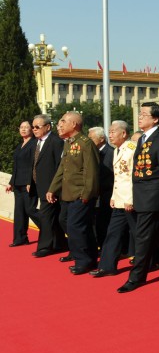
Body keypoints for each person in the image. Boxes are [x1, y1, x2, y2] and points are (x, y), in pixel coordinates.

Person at [117, 102, 159, 293]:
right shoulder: (142, 138)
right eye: (140, 114)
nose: (140, 117)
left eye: (144, 114)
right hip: (141, 194)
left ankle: (136, 277)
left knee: (142, 237)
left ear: (155, 118)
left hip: (153, 196)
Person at [47, 112, 100, 275]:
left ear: (75, 124)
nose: (60, 124)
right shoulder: (68, 143)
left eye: (64, 121)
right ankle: (90, 258)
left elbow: (91, 172)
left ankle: (82, 261)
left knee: (75, 227)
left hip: (81, 194)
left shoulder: (86, 143)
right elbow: (62, 168)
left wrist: (87, 194)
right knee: (80, 227)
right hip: (69, 194)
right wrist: (52, 189)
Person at [93, 121, 137, 277]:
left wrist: (130, 198)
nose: (110, 135)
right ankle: (107, 266)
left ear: (123, 133)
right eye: (109, 132)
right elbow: (118, 177)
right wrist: (114, 196)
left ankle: (158, 262)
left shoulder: (132, 149)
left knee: (139, 234)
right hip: (119, 199)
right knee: (113, 232)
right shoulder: (117, 150)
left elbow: (133, 176)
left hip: (130, 200)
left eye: (113, 132)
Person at [31, 114, 66, 258]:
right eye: (33, 127)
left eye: (37, 127)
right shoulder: (37, 142)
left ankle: (45, 246)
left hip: (52, 188)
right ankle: (60, 243)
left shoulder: (56, 142)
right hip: (39, 186)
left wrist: (54, 188)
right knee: (53, 217)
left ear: (48, 127)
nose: (34, 129)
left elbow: (60, 167)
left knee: (46, 216)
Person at [7, 120, 40, 247]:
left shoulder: (34, 144)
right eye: (21, 127)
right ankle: (20, 238)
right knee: (19, 212)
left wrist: (30, 181)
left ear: (32, 129)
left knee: (30, 210)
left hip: (28, 183)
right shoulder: (20, 145)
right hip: (17, 184)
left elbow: (33, 165)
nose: (24, 129)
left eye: (26, 127)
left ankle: (51, 230)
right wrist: (11, 182)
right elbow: (16, 166)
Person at [88, 127, 114, 249]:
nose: (89, 141)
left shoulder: (111, 152)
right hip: (95, 195)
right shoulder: (93, 152)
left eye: (91, 138)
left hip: (106, 194)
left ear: (101, 139)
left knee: (104, 223)